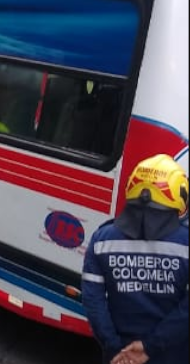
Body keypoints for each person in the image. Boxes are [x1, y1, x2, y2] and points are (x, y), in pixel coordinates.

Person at [82, 154, 189, 364]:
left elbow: (93, 302)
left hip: (118, 356)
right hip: (172, 354)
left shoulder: (102, 240)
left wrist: (114, 348)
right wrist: (151, 346)